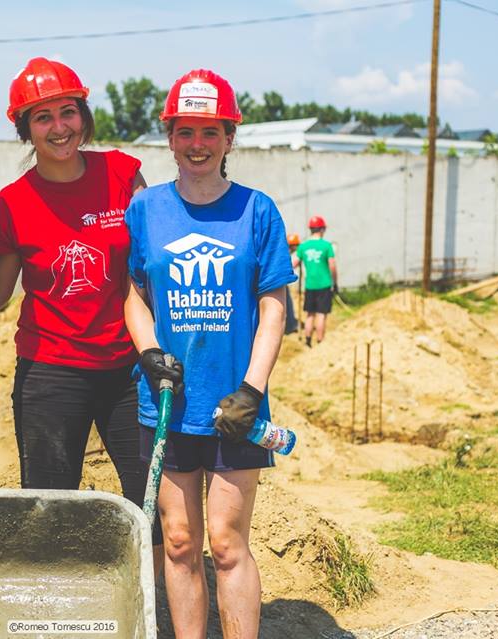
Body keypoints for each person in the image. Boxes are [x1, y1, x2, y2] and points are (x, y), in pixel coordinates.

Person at [124, 68, 296, 638]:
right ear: (170, 137)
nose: (197, 144)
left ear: (229, 138)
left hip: (235, 406)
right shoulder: (146, 209)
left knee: (226, 543)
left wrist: (251, 390)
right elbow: (134, 295)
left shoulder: (257, 210)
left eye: (210, 132)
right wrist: (149, 351)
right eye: (185, 132)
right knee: (178, 541)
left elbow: (273, 308)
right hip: (168, 404)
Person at [0, 57, 163, 554]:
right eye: (43, 117)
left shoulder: (122, 174)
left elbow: (152, 266)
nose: (59, 127)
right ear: (25, 129)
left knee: (154, 503)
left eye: (68, 112)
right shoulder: (13, 203)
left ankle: (153, 596)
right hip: (51, 372)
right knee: (49, 509)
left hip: (129, 368)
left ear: (84, 115)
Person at [293, 215, 338, 347]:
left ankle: (307, 340)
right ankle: (319, 342)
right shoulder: (326, 246)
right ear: (322, 229)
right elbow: (332, 266)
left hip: (310, 285)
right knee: (321, 314)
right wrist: (335, 283)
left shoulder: (303, 246)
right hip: (324, 284)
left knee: (309, 314)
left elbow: (294, 263)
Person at [285, 233, 300, 335]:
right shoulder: (284, 253)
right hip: (280, 283)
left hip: (282, 282)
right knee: (288, 303)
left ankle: (290, 325)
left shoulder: (285, 251)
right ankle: (290, 326)